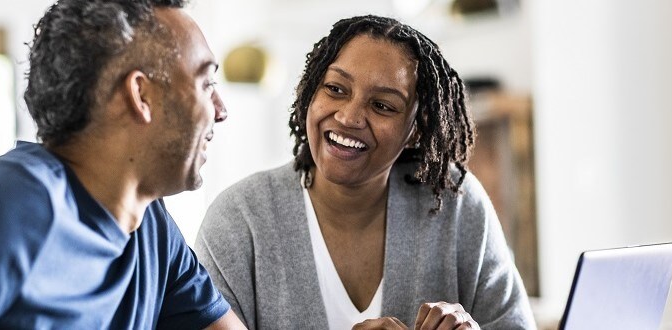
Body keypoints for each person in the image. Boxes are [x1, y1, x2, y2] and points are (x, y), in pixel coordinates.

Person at [0, 0, 247, 328]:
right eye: (206, 82)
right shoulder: (17, 201)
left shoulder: (151, 229)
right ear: (141, 95)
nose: (220, 110)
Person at [195, 15, 535, 330]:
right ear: (311, 92)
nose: (349, 117)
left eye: (383, 106)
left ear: (416, 129)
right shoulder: (239, 221)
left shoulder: (456, 202)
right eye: (335, 89)